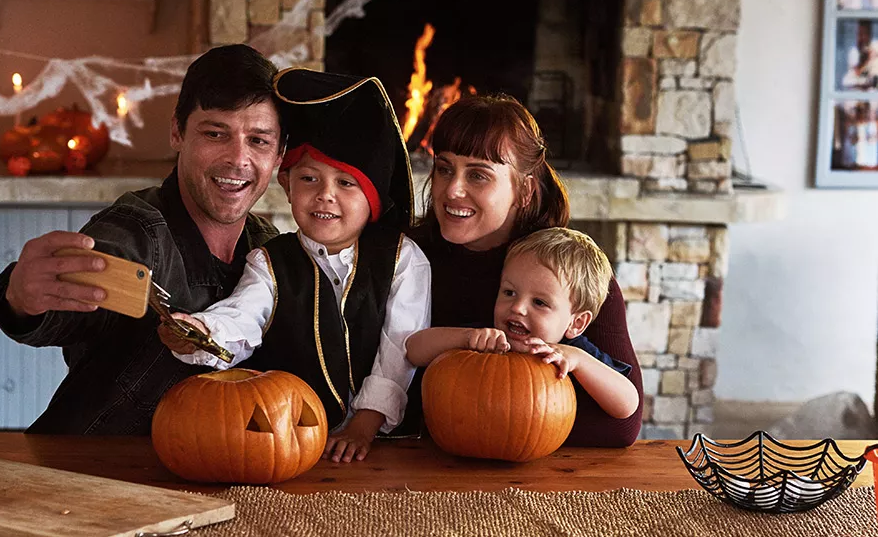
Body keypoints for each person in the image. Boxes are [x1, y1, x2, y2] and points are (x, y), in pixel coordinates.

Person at [0, 44, 285, 435]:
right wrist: (22, 300)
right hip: (88, 475)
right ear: (177, 132)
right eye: (215, 133)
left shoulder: (269, 249)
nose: (238, 159)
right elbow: (72, 304)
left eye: (259, 140)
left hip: (202, 484)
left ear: (279, 155)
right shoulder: (134, 233)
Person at [160, 69, 430, 463]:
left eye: (346, 184)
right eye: (309, 178)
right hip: (292, 444)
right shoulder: (269, 261)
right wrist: (202, 332)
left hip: (387, 446)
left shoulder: (403, 259)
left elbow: (399, 347)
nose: (325, 196)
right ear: (286, 186)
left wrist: (363, 425)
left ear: (372, 198)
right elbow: (243, 315)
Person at [401, 94, 644, 446]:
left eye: (478, 176)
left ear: (524, 190)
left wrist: (493, 418)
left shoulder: (564, 272)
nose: (452, 190)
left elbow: (619, 426)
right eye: (444, 168)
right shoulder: (405, 258)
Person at [406, 227, 638, 420]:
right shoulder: (489, 336)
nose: (517, 307)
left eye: (539, 302)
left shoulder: (573, 351)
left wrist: (579, 361)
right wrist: (466, 337)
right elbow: (414, 349)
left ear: (576, 322)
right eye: (509, 292)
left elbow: (627, 404)